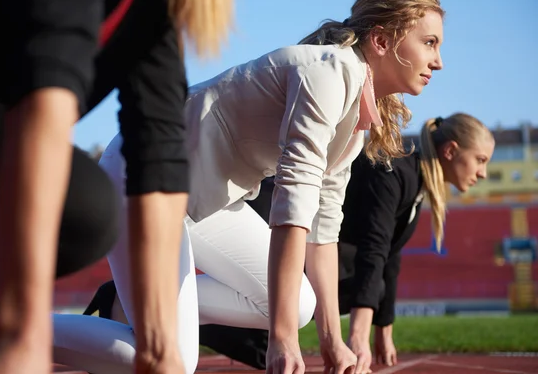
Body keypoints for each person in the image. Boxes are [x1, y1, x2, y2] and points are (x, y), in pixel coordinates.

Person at [0, 0, 235, 373]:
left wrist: (158, 348)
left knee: (88, 207)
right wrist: (21, 334)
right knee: (82, 206)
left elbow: (158, 151)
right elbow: (42, 101)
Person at [190, 113, 495, 374]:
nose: (482, 173)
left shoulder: (415, 184)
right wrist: (356, 337)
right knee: (277, 334)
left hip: (317, 243)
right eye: (480, 160)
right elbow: (374, 253)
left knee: (269, 344)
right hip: (276, 221)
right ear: (451, 151)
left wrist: (383, 330)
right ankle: (183, 313)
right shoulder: (395, 171)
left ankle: (189, 314)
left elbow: (390, 257)